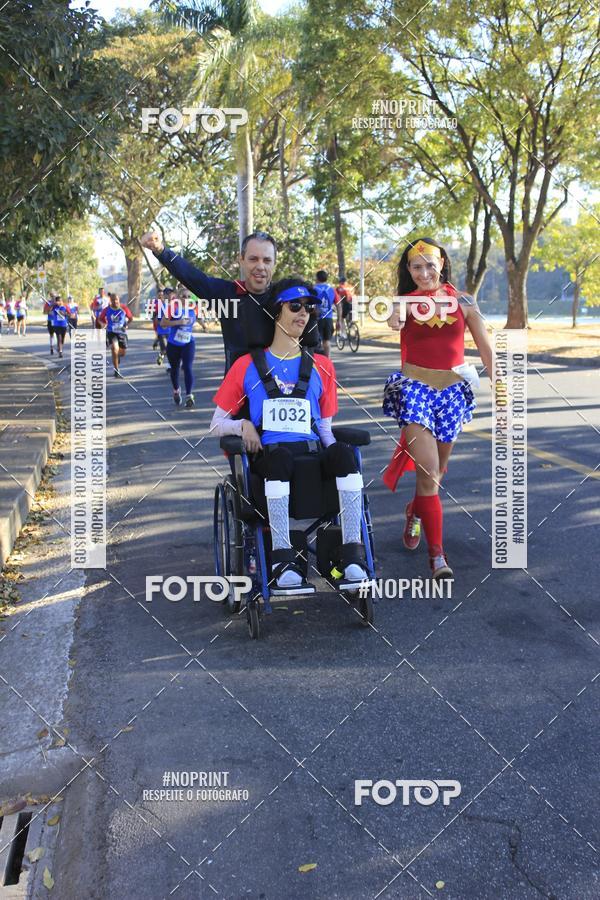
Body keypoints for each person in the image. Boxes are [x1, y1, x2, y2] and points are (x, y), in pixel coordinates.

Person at [210, 277, 369, 591]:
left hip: (310, 453)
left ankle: (352, 555)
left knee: (343, 453)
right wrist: (242, 425)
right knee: (280, 458)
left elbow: (324, 427)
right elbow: (216, 423)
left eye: (308, 307)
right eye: (294, 305)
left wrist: (337, 453)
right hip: (271, 457)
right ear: (275, 312)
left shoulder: (322, 365)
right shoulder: (245, 366)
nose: (303, 313)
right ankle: (283, 557)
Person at [382, 237, 493, 580]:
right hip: (414, 389)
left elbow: (486, 347)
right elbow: (394, 317)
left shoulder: (464, 301)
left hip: (452, 392)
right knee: (429, 471)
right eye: (417, 267)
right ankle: (437, 557)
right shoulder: (406, 301)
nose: (424, 272)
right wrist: (397, 315)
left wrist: (501, 385)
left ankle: (414, 512)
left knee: (438, 472)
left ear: (442, 262)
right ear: (409, 270)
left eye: (430, 264)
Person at [140, 229, 277, 372]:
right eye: (253, 259)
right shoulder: (227, 294)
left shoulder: (286, 299)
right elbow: (192, 276)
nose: (260, 266)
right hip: (237, 389)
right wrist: (160, 250)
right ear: (241, 260)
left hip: (279, 389)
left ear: (274, 263)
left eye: (267, 260)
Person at [159, 288, 197, 407]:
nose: (186, 299)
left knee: (187, 367)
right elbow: (163, 324)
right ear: (178, 298)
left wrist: (204, 325)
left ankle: (189, 395)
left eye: (188, 296)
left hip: (188, 343)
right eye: (183, 296)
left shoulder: (193, 308)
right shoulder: (173, 308)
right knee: (175, 369)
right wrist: (178, 322)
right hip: (173, 345)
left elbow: (197, 318)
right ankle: (176, 390)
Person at [99, 293, 133, 377]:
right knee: (114, 349)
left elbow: (131, 318)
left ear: (119, 300)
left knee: (122, 353)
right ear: (110, 301)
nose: (115, 301)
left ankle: (117, 357)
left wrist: (126, 324)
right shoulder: (107, 309)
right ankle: (116, 370)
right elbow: (100, 319)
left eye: (116, 299)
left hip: (122, 333)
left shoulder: (123, 308)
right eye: (113, 300)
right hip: (111, 332)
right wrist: (103, 324)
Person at [313, 270, 336, 357]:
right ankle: (328, 360)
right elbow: (338, 304)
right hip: (328, 318)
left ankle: (317, 361)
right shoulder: (331, 289)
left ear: (317, 278)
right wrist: (340, 320)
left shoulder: (314, 289)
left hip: (317, 318)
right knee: (327, 341)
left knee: (315, 341)